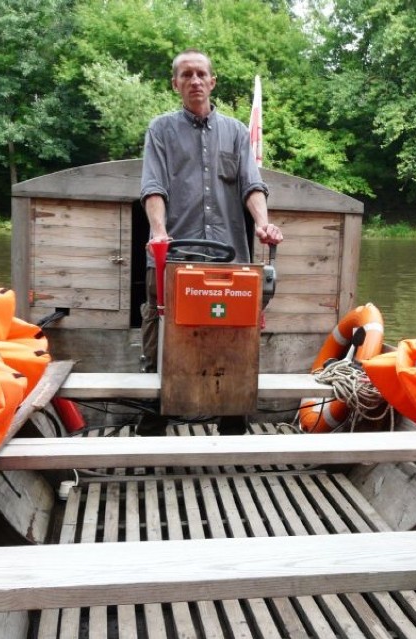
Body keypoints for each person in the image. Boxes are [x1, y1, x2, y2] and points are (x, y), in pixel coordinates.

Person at [138, 48, 283, 435]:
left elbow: (253, 185)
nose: (195, 81)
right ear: (176, 84)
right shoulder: (160, 130)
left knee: (233, 330)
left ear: (212, 81)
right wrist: (158, 232)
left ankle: (232, 412)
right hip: (175, 253)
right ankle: (156, 410)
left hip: (228, 254)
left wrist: (264, 225)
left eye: (201, 74)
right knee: (160, 325)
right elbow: (153, 186)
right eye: (186, 75)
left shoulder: (236, 133)